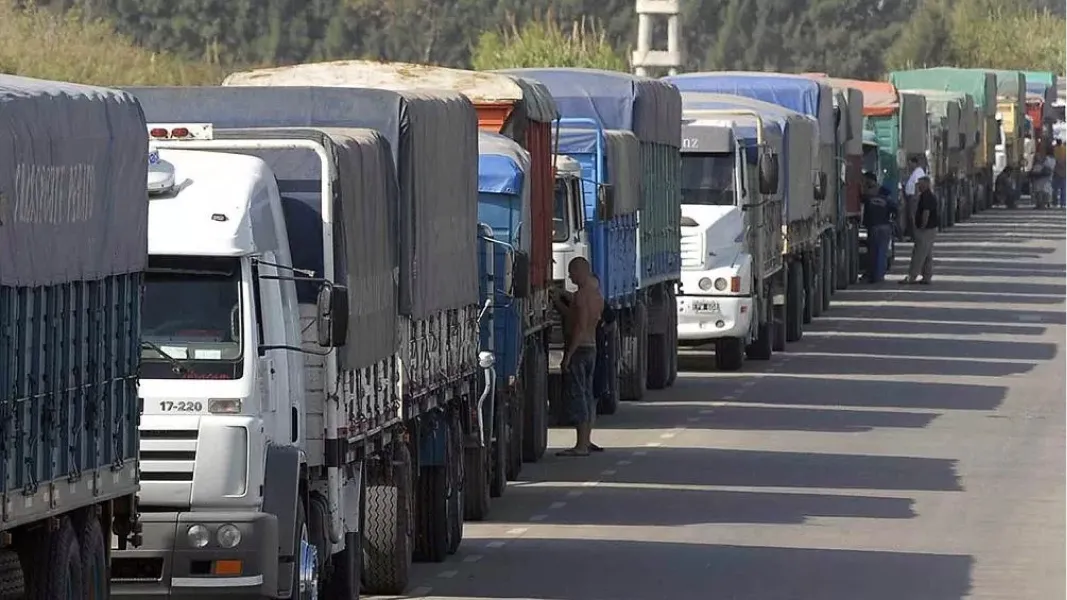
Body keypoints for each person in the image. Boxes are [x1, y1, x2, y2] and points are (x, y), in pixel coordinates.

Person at [550, 257, 604, 457]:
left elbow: (579, 326)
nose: (571, 276)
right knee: (588, 395)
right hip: (591, 349)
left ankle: (581, 445)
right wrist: (559, 300)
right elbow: (578, 315)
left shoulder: (581, 296)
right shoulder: (596, 296)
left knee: (578, 396)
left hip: (579, 350)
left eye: (572, 272)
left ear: (582, 272)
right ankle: (586, 441)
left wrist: (568, 356)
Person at [900, 177, 939, 286]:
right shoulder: (925, 195)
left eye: (921, 184)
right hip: (931, 229)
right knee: (927, 254)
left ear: (927, 184)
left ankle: (912, 276)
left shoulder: (927, 197)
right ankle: (927, 276)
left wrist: (922, 226)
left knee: (919, 253)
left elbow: (926, 213)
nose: (918, 186)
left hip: (926, 230)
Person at [861, 175, 896, 283]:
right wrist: (892, 221)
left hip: (874, 227)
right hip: (884, 226)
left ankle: (873, 275)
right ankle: (878, 275)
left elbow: (865, 213)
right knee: (882, 252)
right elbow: (895, 210)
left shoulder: (868, 198)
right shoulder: (886, 198)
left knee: (873, 252)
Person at [902, 156, 926, 239]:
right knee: (910, 216)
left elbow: (917, 184)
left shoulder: (918, 171)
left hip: (914, 197)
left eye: (910, 163)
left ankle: (915, 235)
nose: (909, 165)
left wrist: (916, 196)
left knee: (913, 216)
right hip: (910, 197)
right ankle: (912, 234)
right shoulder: (914, 172)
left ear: (914, 163)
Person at [1053, 139, 1066, 208]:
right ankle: (1063, 203)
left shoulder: (1054, 149)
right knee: (1063, 189)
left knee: (1055, 188)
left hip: (1056, 171)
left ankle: (1054, 202)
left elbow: (1054, 159)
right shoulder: (1065, 149)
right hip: (1064, 172)